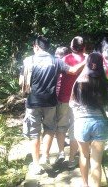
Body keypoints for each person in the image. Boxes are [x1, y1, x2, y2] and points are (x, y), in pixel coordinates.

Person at [20, 35, 86, 175]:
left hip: (33, 102)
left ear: (36, 46)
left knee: (34, 133)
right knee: (49, 128)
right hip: (51, 102)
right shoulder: (56, 61)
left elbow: (21, 83)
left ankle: (37, 164)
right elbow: (73, 71)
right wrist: (85, 60)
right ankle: (45, 155)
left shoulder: (29, 60)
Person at [70, 52, 108, 187]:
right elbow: (107, 106)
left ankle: (85, 184)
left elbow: (71, 103)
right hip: (100, 123)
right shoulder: (106, 83)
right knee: (97, 162)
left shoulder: (79, 82)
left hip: (81, 122)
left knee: (84, 156)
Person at [55, 36, 86, 169]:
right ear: (84, 47)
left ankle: (61, 152)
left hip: (63, 98)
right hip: (80, 100)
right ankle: (72, 159)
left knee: (61, 127)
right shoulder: (87, 60)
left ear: (71, 47)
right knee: (75, 129)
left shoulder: (64, 59)